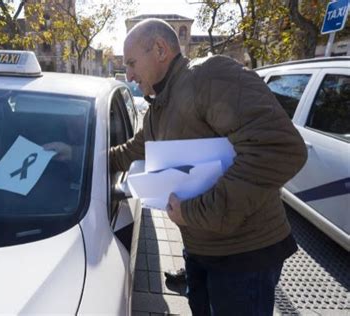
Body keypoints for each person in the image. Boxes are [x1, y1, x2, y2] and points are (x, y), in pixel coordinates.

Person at [43, 18, 307, 315]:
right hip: (200, 248)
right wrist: (75, 155)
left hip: (244, 256)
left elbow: (280, 150)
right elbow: (129, 152)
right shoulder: (159, 106)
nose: (128, 75)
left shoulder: (210, 76)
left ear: (160, 49)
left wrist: (194, 212)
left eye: (131, 63)